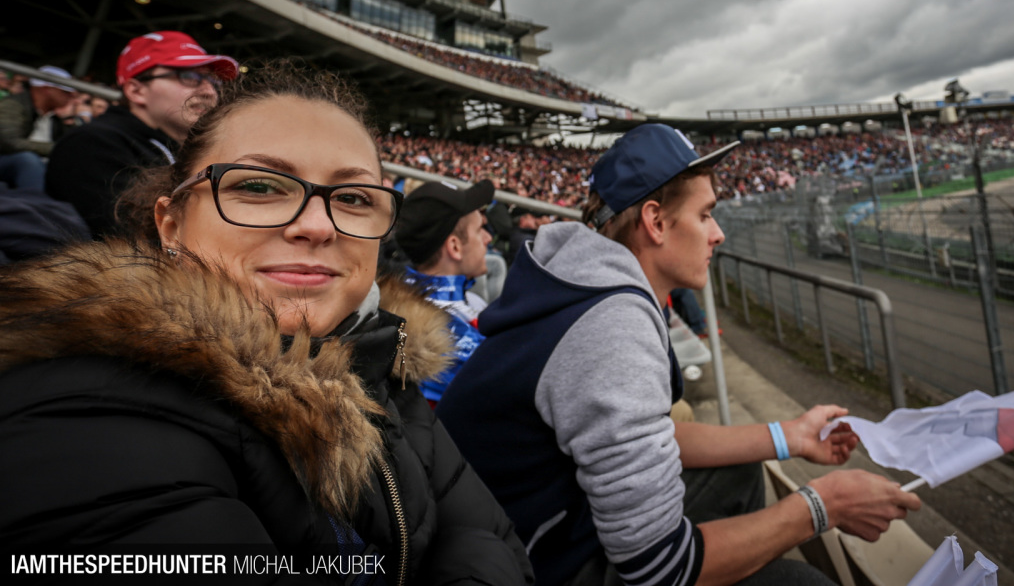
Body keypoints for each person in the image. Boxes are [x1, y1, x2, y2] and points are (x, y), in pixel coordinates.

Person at [0, 61, 533, 584]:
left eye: (352, 198)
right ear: (170, 224)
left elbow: (492, 542)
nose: (317, 225)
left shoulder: (383, 363)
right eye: (258, 187)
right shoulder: (83, 413)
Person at [437, 124, 920, 586]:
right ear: (655, 221)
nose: (718, 234)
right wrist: (824, 506)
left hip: (525, 533)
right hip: (532, 568)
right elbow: (659, 569)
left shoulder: (588, 284)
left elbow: (652, 434)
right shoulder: (611, 326)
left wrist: (788, 436)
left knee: (736, 472)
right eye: (705, 215)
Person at [45, 31, 238, 238]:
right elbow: (146, 240)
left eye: (213, 80)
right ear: (136, 91)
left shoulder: (190, 149)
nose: (210, 91)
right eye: (189, 76)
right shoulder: (90, 146)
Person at [394, 179, 495, 405]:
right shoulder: (459, 337)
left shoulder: (397, 295)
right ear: (455, 247)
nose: (488, 238)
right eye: (480, 230)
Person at [0, 65, 75, 190]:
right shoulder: (12, 105)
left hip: (39, 166)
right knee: (27, 160)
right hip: (10, 160)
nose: (71, 97)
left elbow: (69, 145)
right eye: (65, 92)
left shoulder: (55, 116)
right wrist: (56, 148)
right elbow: (9, 143)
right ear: (47, 90)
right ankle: (36, 204)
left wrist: (68, 119)